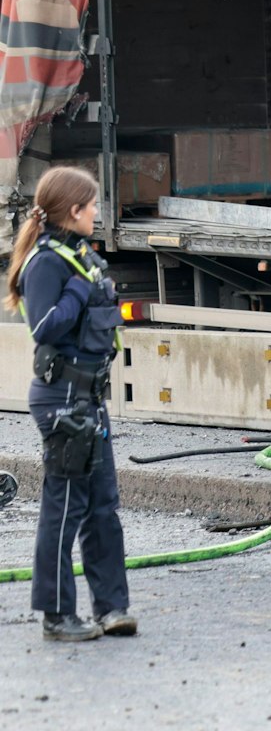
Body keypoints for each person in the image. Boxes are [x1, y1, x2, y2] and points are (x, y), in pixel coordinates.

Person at [5, 167, 134, 642]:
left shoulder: (79, 254)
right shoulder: (46, 263)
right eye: (92, 205)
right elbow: (44, 327)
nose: (97, 212)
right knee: (65, 508)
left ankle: (112, 609)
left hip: (89, 398)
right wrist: (79, 289)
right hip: (61, 399)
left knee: (103, 506)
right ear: (73, 210)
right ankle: (57, 616)